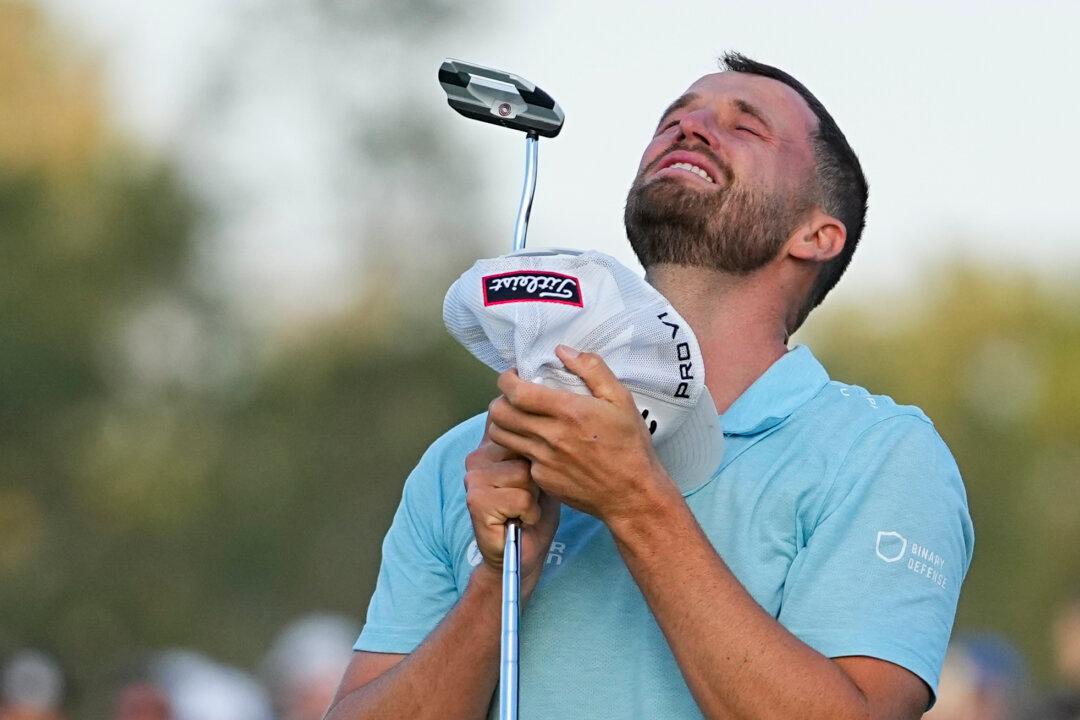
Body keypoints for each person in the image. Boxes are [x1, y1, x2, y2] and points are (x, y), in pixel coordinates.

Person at [327, 52, 975, 719]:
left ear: (817, 234)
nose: (691, 129)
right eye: (675, 118)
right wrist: (496, 583)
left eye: (744, 126)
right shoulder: (473, 455)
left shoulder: (880, 454)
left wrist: (634, 501)